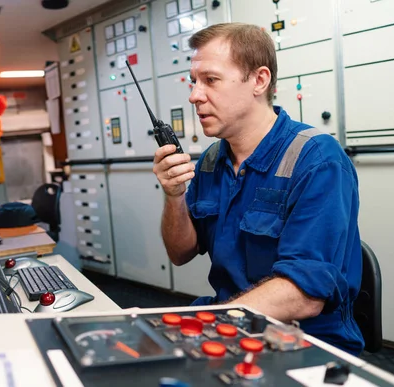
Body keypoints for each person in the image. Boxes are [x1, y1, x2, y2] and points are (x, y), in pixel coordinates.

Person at [152, 23, 364, 355]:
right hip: (232, 326)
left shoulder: (318, 160)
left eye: (210, 80)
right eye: (194, 82)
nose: (194, 95)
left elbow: (303, 296)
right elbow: (180, 253)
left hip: (304, 342)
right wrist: (174, 195)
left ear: (259, 80)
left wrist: (208, 322)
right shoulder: (211, 160)